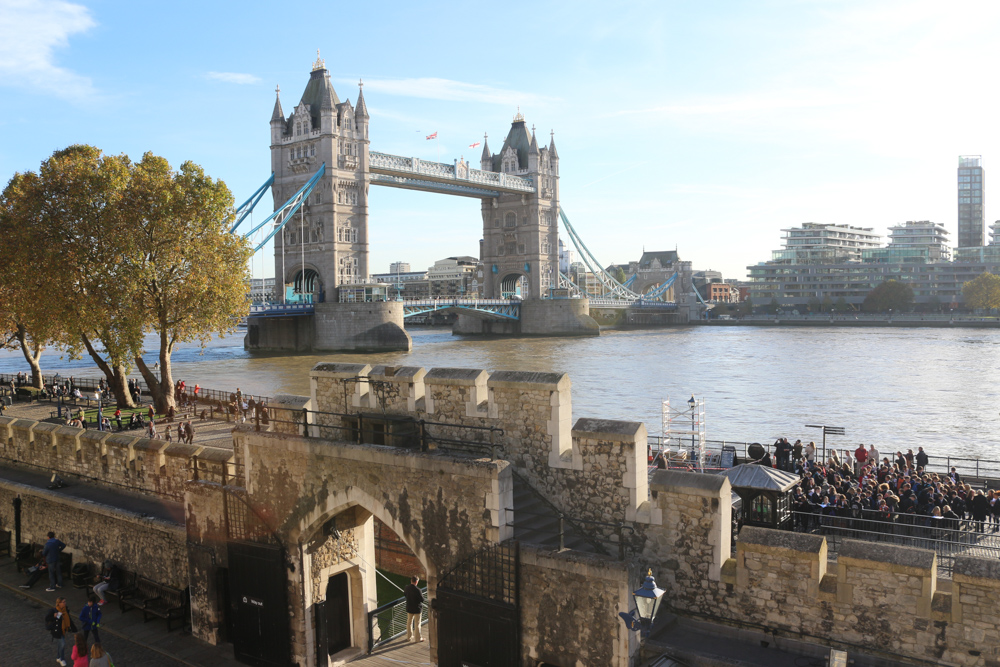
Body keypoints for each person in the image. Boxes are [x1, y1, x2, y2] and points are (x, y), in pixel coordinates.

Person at [45, 597, 75, 666]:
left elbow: (68, 619)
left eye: (65, 601)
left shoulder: (65, 610)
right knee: (62, 644)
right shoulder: (53, 611)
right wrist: (54, 616)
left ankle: (58, 657)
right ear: (59, 603)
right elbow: (47, 619)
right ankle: (62, 658)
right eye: (63, 602)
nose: (65, 603)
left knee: (60, 644)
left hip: (63, 629)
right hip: (57, 630)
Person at [404, 575, 424, 642]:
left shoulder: (407, 588)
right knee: (417, 623)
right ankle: (418, 639)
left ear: (411, 581)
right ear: (416, 582)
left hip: (409, 608)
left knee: (409, 622)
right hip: (417, 609)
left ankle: (409, 637)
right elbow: (422, 599)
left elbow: (405, 594)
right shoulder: (418, 590)